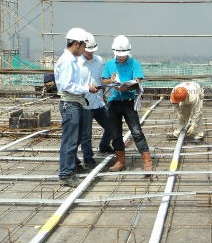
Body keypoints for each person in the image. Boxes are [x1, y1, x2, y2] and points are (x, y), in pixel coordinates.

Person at [101, 35, 152, 177]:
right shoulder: (109, 64)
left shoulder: (134, 63)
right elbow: (104, 80)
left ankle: (147, 162)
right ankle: (120, 161)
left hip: (128, 102)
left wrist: (127, 88)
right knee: (116, 134)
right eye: (119, 55)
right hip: (113, 102)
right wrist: (110, 80)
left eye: (124, 55)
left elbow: (138, 80)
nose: (122, 57)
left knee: (136, 132)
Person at [54, 27, 98, 187]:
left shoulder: (71, 60)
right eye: (83, 46)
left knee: (74, 139)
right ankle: (66, 174)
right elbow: (66, 85)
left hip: (75, 103)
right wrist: (87, 88)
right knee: (70, 141)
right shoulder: (67, 61)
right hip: (70, 103)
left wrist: (86, 87)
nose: (84, 49)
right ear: (77, 44)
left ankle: (71, 168)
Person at [77, 32, 113, 169]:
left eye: (92, 51)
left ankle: (104, 145)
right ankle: (88, 158)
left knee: (110, 126)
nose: (90, 53)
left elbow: (101, 80)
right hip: (85, 103)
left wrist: (104, 93)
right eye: (88, 50)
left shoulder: (99, 61)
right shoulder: (78, 63)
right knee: (86, 133)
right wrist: (87, 88)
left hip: (98, 102)